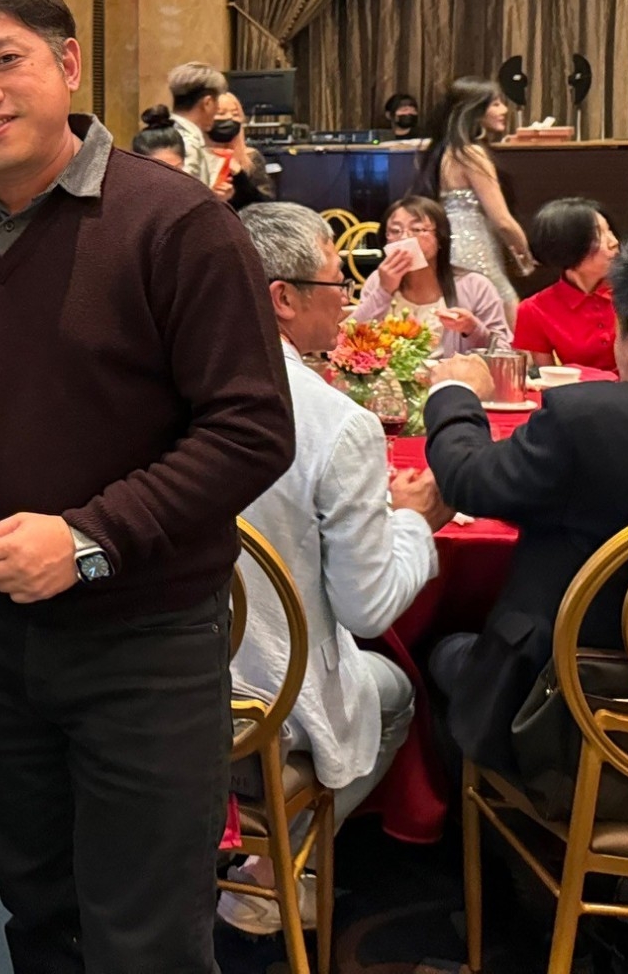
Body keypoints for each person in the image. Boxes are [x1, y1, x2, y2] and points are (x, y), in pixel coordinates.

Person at [0, 0, 294, 974]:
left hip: (141, 636)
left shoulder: (174, 223)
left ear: (66, 64)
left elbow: (250, 429)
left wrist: (89, 537)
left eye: (4, 61)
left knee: (147, 936)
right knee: (38, 913)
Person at [421, 236, 628, 777]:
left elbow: (472, 482)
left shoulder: (589, 421)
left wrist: (454, 395)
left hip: (576, 717)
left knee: (439, 648)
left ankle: (499, 817)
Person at [222, 204, 446, 936]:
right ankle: (275, 871)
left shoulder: (158, 382)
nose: (347, 296)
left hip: (153, 681)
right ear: (282, 299)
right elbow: (367, 608)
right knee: (398, 689)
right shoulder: (331, 421)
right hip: (262, 703)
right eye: (335, 280)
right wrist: (415, 522)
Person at [417, 77, 534, 313]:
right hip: (475, 251)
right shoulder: (471, 154)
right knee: (507, 312)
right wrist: (525, 252)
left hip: (452, 250)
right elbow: (502, 221)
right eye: (495, 104)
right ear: (475, 111)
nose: (504, 110)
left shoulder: (445, 153)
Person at [354, 195, 511, 356]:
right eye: (395, 231)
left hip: (452, 372)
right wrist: (384, 291)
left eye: (417, 229)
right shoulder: (378, 280)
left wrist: (473, 329)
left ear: (440, 237)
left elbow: (504, 353)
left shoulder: (475, 286)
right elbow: (352, 342)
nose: (404, 238)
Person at [513, 196, 621, 374]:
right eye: (599, 235)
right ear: (568, 246)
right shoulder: (534, 310)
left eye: (610, 230)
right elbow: (549, 378)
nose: (614, 241)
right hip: (578, 391)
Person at [166, 60, 230, 190]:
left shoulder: (165, 131)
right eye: (217, 102)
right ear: (208, 103)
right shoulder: (188, 142)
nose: (217, 109)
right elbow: (183, 195)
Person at [207, 92, 274, 207]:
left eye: (235, 114)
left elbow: (265, 203)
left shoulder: (251, 157)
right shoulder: (192, 155)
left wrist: (239, 175)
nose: (229, 118)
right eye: (221, 113)